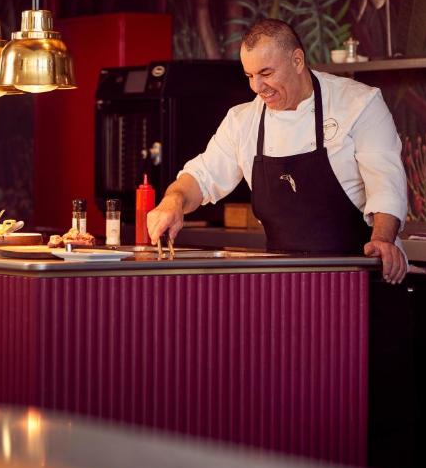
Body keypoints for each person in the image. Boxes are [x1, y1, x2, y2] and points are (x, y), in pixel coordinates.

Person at [147, 19, 408, 283]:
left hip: (357, 277)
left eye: (266, 73)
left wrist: (382, 240)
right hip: (283, 283)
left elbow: (385, 184)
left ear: (297, 61)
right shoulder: (243, 121)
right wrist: (174, 201)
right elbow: (202, 177)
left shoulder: (358, 103)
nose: (257, 87)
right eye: (250, 76)